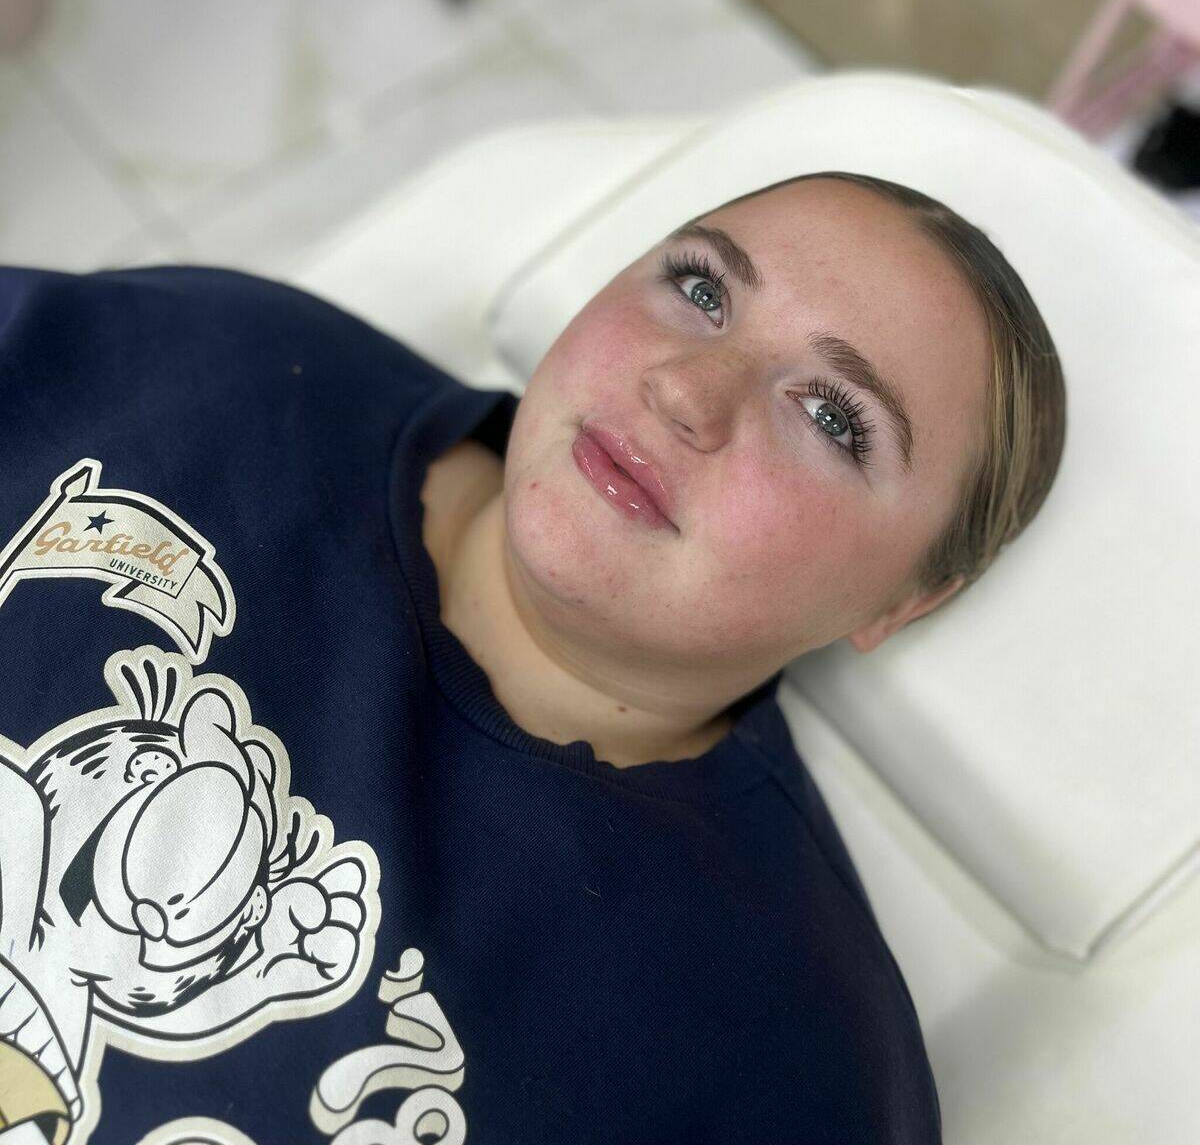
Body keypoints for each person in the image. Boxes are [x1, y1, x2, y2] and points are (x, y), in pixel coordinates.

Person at [0, 170, 1066, 1145]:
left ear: (904, 601)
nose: (687, 391)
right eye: (701, 289)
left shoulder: (787, 1070)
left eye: (833, 417)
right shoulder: (207, 362)